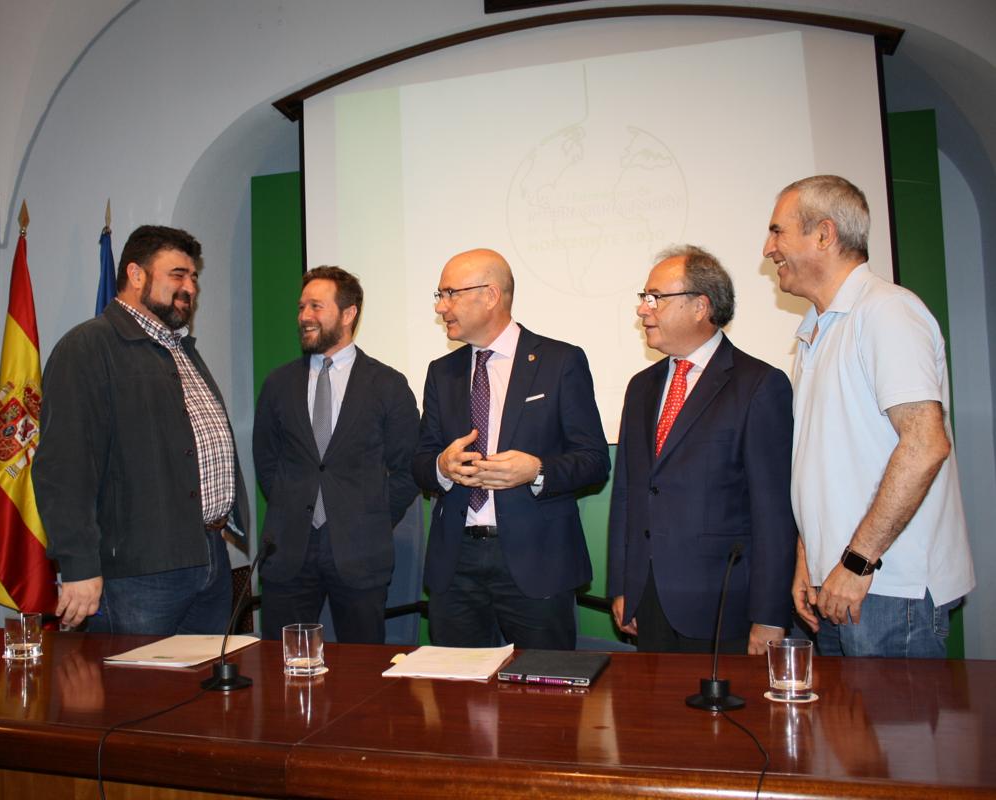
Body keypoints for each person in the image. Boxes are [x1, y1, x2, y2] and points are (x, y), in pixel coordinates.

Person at [764, 174, 975, 657]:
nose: (768, 249)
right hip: (842, 581)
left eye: (778, 232)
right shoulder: (817, 330)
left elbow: (925, 445)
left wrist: (858, 562)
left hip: (887, 587)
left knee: (891, 712)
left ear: (824, 234)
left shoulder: (887, 312)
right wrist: (809, 559)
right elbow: (821, 467)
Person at [33, 224, 250, 635]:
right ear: (135, 275)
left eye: (194, 277)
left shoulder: (180, 348)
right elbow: (64, 467)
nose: (190, 288)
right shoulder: (88, 347)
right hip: (139, 574)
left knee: (205, 677)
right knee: (138, 677)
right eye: (177, 275)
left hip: (209, 555)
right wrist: (79, 565)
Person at [412, 248, 610, 650]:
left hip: (537, 559)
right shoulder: (441, 372)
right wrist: (441, 466)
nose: (440, 306)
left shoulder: (560, 361)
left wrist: (536, 470)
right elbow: (419, 461)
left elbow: (593, 461)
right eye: (439, 295)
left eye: (450, 294)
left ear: (490, 295)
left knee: (543, 683)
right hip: (456, 563)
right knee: (457, 685)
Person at [607, 245, 796, 654]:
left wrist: (770, 615)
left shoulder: (758, 385)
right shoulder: (641, 387)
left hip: (724, 608)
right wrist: (623, 587)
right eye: (644, 298)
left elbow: (774, 513)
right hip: (649, 601)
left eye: (655, 298)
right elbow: (627, 495)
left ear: (700, 306)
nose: (643, 309)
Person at [253, 266, 420, 643]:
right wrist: (291, 506)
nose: (304, 316)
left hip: (361, 553)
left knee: (362, 668)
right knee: (283, 664)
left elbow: (408, 468)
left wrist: (372, 517)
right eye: (301, 307)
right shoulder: (278, 383)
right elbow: (267, 461)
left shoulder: (388, 385)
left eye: (316, 306)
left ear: (348, 314)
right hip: (288, 552)